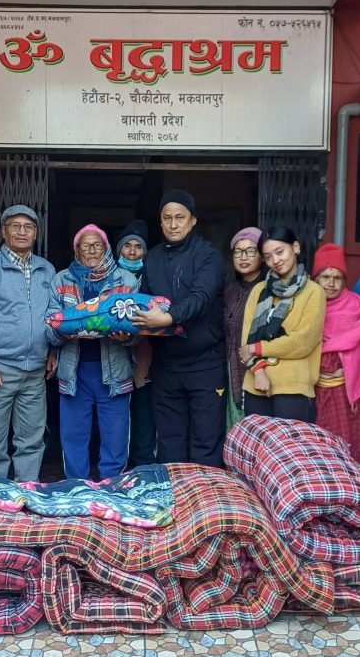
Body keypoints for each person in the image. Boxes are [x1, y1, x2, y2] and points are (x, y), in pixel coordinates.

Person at [133, 190, 226, 468]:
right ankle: (173, 494)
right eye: (167, 218)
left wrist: (169, 317)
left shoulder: (209, 256)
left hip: (205, 364)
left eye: (180, 218)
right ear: (160, 221)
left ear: (193, 220)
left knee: (205, 443)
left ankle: (204, 496)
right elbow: (143, 303)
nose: (173, 224)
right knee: (169, 443)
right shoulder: (152, 258)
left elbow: (201, 298)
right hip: (166, 366)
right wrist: (126, 328)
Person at [0, 205, 56, 481]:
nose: (22, 232)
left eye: (28, 227)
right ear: (3, 232)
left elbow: (54, 317)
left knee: (31, 441)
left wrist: (53, 350)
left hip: (36, 371)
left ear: (36, 233)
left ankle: (26, 492)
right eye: (15, 226)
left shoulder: (46, 270)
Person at [46, 224, 139, 480]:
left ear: (107, 249)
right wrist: (62, 332)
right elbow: (49, 326)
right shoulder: (61, 280)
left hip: (115, 372)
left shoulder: (126, 281)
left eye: (98, 245)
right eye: (85, 245)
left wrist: (128, 337)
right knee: (73, 437)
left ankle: (111, 486)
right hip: (75, 373)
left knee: (115, 437)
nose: (92, 250)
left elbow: (138, 328)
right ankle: (77, 487)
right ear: (76, 250)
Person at [239, 226, 325, 424]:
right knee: (257, 443)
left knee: (291, 445)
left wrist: (258, 348)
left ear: (295, 247)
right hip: (256, 385)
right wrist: (259, 371)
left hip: (293, 388)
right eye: (268, 257)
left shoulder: (313, 292)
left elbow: (303, 341)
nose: (275, 261)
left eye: (280, 252)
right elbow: (246, 342)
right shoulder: (258, 290)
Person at [312, 243, 360, 470]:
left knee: (356, 448)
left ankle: (358, 489)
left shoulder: (359, 308)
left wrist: (348, 369)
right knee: (323, 448)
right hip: (317, 390)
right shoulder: (307, 306)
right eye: (325, 277)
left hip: (352, 394)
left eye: (337, 278)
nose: (331, 283)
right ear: (316, 279)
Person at [116, 219, 156, 467]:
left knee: (143, 411)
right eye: (127, 245)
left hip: (145, 354)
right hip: (114, 354)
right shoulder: (109, 276)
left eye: (138, 246)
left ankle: (142, 465)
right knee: (115, 415)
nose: (132, 251)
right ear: (119, 249)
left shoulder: (154, 276)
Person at [224, 226, 264, 429]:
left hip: (259, 370)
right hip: (231, 369)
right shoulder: (229, 289)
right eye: (238, 252)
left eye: (250, 251)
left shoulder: (268, 290)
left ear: (262, 256)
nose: (243, 257)